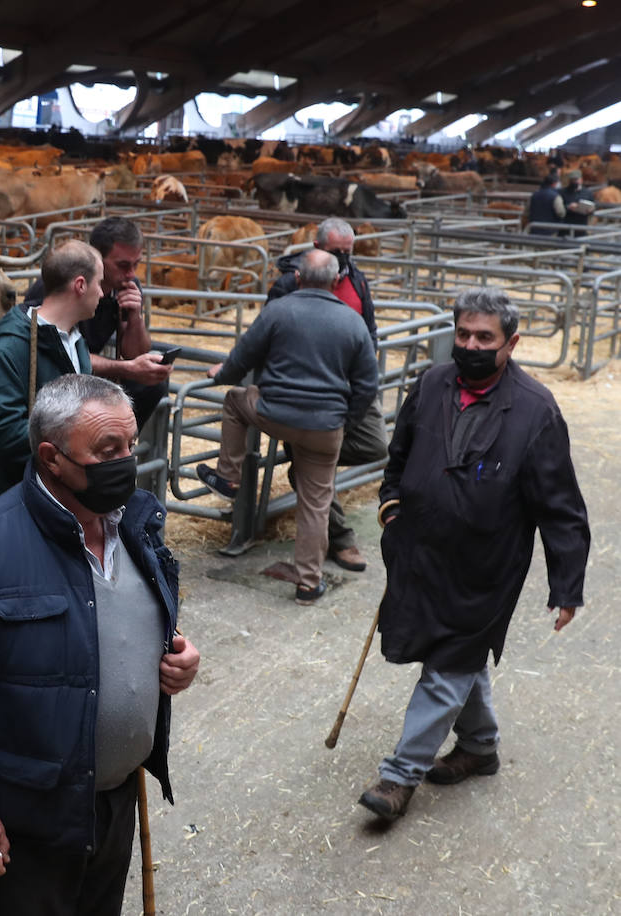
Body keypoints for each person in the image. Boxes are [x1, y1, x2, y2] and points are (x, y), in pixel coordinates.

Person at [0, 373, 201, 916]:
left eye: (131, 444)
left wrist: (176, 653)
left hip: (112, 806)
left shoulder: (136, 525)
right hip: (24, 822)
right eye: (107, 450)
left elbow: (132, 619)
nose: (127, 461)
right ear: (52, 457)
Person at [358, 287, 589, 821]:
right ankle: (480, 747)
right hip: (419, 553)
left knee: (448, 664)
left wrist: (567, 585)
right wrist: (392, 505)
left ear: (511, 342)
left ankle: (399, 776)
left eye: (484, 337)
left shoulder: (535, 411)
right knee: (459, 660)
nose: (470, 345)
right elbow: (400, 454)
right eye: (463, 334)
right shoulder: (433, 382)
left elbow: (561, 507)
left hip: (486, 568)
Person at [197, 249, 378, 604]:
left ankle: (228, 477)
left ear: (297, 278)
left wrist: (220, 373)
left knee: (235, 399)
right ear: (337, 281)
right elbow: (368, 386)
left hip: (274, 415)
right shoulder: (353, 322)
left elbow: (240, 360)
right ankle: (309, 584)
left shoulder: (278, 311)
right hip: (325, 427)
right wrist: (345, 421)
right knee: (315, 505)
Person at [266, 217, 388, 573]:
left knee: (376, 446)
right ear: (317, 249)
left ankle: (311, 463)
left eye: (348, 253)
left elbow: (369, 331)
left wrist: (365, 376)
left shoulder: (356, 279)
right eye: (337, 253)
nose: (344, 260)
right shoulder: (290, 285)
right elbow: (269, 334)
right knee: (313, 465)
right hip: (305, 394)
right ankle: (342, 540)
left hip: (351, 389)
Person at [22, 217, 174, 431]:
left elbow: (134, 353)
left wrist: (134, 317)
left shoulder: (127, 285)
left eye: (136, 264)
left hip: (90, 376)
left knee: (152, 383)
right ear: (97, 259)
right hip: (55, 379)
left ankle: (114, 443)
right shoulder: (64, 284)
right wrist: (128, 368)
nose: (131, 274)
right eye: (122, 265)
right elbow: (63, 354)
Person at [0, 240, 102, 494]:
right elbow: (2, 432)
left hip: (72, 493)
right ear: (80, 285)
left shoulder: (75, 339)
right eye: (98, 283)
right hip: (30, 496)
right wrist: (81, 436)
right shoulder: (11, 347)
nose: (101, 293)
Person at [560, 169, 594, 236]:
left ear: (581, 180)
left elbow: (592, 206)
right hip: (566, 225)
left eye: (576, 180)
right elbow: (559, 208)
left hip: (581, 226)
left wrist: (590, 210)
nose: (574, 182)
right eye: (572, 180)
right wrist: (568, 207)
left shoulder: (587, 192)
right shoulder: (563, 192)